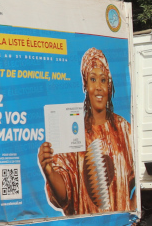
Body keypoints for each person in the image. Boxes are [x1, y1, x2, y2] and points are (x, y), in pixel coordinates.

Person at [37, 47, 135, 215]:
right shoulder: (73, 133)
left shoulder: (124, 130)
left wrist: (132, 208)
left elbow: (141, 179)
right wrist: (49, 170)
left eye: (103, 80)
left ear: (109, 86)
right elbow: (63, 197)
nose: (98, 87)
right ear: (85, 85)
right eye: (93, 79)